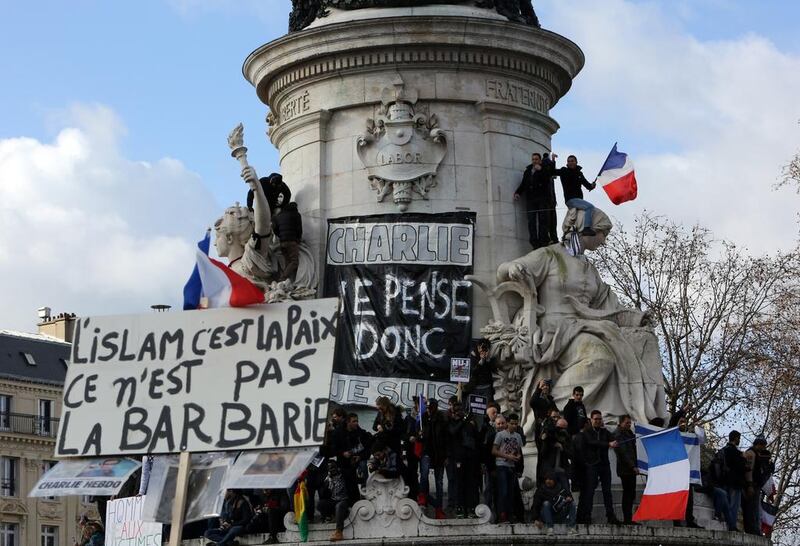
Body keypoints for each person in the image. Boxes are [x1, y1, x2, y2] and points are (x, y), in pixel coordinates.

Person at [499, 207, 666, 438]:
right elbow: (503, 270)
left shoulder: (590, 268)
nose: (604, 241)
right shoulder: (549, 255)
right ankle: (552, 410)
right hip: (555, 330)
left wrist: (637, 318)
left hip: (585, 326)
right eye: (602, 234)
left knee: (642, 340)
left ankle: (635, 415)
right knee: (600, 356)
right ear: (584, 230)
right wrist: (514, 269)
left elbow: (608, 306)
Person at [576, 410, 621, 525]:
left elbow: (613, 438)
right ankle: (587, 516)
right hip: (592, 465)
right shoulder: (587, 432)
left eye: (600, 419)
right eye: (595, 419)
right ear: (591, 420)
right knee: (590, 491)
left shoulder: (605, 431)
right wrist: (608, 444)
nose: (598, 421)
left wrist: (615, 440)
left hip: (604, 465)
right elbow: (592, 442)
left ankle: (611, 516)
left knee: (607, 492)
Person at [514, 151, 558, 249]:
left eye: (536, 159)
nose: (534, 161)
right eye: (533, 159)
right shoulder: (528, 170)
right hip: (531, 199)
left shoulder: (544, 169)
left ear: (540, 160)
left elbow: (548, 178)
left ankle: (543, 241)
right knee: (531, 221)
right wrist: (518, 193)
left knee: (543, 221)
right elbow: (524, 183)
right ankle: (534, 243)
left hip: (542, 199)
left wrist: (541, 170)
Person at [419, 398, 447, 519]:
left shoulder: (441, 419)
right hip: (427, 452)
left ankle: (438, 508)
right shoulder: (423, 418)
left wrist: (446, 456)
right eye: (428, 407)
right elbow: (421, 435)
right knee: (424, 475)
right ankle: (424, 497)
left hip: (439, 455)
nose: (429, 409)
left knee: (439, 483)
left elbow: (446, 438)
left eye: (431, 407)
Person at [554, 154, 596, 235]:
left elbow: (587, 185)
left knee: (577, 217)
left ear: (576, 162)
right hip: (571, 200)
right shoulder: (564, 171)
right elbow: (553, 171)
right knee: (590, 207)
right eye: (568, 161)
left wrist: (592, 186)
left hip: (579, 200)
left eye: (572, 161)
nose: (570, 163)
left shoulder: (579, 174)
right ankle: (586, 228)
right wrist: (553, 160)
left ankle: (569, 232)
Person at [492, 414, 523, 523]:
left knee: (511, 493)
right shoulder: (500, 435)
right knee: (503, 492)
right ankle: (502, 515)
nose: (514, 426)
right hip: (501, 466)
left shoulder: (518, 436)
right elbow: (494, 451)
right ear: (507, 423)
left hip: (512, 466)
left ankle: (510, 515)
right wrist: (507, 456)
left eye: (516, 423)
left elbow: (518, 452)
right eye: (512, 423)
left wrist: (517, 457)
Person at [336, 413, 373, 504]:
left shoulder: (360, 433)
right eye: (354, 421)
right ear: (348, 422)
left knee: (359, 482)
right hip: (345, 464)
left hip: (357, 462)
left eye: (357, 421)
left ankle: (360, 501)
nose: (356, 423)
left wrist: (360, 457)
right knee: (348, 487)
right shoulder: (339, 433)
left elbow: (368, 446)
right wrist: (342, 453)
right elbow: (334, 448)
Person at [613, 414, 639, 525]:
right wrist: (632, 466)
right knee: (628, 493)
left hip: (630, 468)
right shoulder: (618, 434)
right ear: (621, 422)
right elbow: (623, 453)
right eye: (627, 423)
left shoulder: (629, 433)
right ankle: (627, 519)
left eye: (630, 423)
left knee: (631, 493)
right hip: (626, 469)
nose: (629, 425)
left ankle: (629, 518)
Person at [271, 200, 303, 282]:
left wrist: (281, 236)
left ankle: (286, 282)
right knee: (294, 262)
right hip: (292, 241)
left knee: (287, 262)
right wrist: (298, 239)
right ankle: (283, 278)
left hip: (282, 242)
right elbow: (299, 228)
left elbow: (275, 229)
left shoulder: (279, 216)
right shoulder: (296, 214)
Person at [318, 461, 350, 542]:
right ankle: (330, 516)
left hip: (344, 500)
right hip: (333, 500)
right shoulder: (327, 479)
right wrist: (326, 483)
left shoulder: (344, 475)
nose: (331, 470)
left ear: (337, 467)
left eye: (333, 467)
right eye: (329, 468)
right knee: (320, 504)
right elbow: (322, 495)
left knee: (339, 506)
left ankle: (339, 532)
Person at [722, 430, 747, 532]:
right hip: (735, 482)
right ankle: (731, 525)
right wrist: (744, 459)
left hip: (724, 481)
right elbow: (740, 467)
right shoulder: (736, 453)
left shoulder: (723, 450)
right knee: (734, 506)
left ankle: (726, 523)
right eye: (739, 438)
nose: (739, 440)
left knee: (727, 504)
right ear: (736, 438)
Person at [743, 436, 769, 535]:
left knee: (755, 508)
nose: (763, 448)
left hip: (756, 485)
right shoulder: (751, 454)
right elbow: (749, 470)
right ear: (757, 444)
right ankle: (752, 529)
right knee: (751, 508)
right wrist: (750, 485)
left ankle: (755, 528)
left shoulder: (757, 454)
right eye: (762, 445)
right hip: (752, 485)